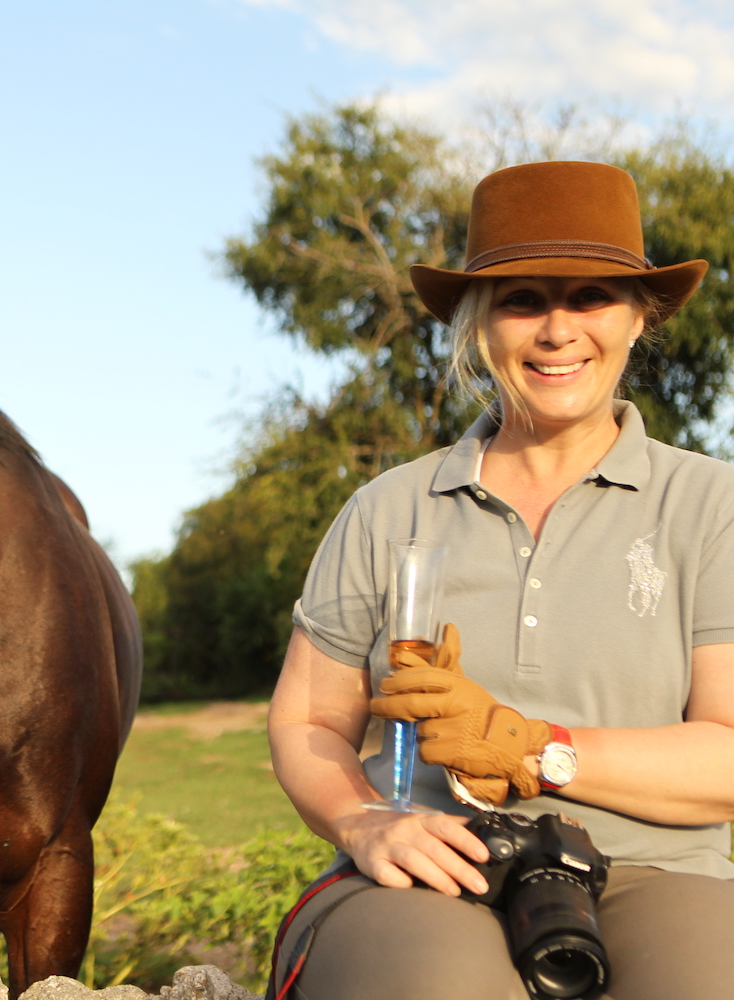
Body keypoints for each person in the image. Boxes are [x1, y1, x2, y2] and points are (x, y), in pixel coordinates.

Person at [265, 160, 734, 1000]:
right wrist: (361, 821)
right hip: (426, 866)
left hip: (658, 871)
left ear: (638, 318)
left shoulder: (713, 506)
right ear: (480, 327)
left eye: (590, 296)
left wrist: (533, 747)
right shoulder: (387, 509)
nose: (558, 330)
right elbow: (307, 719)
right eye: (523, 299)